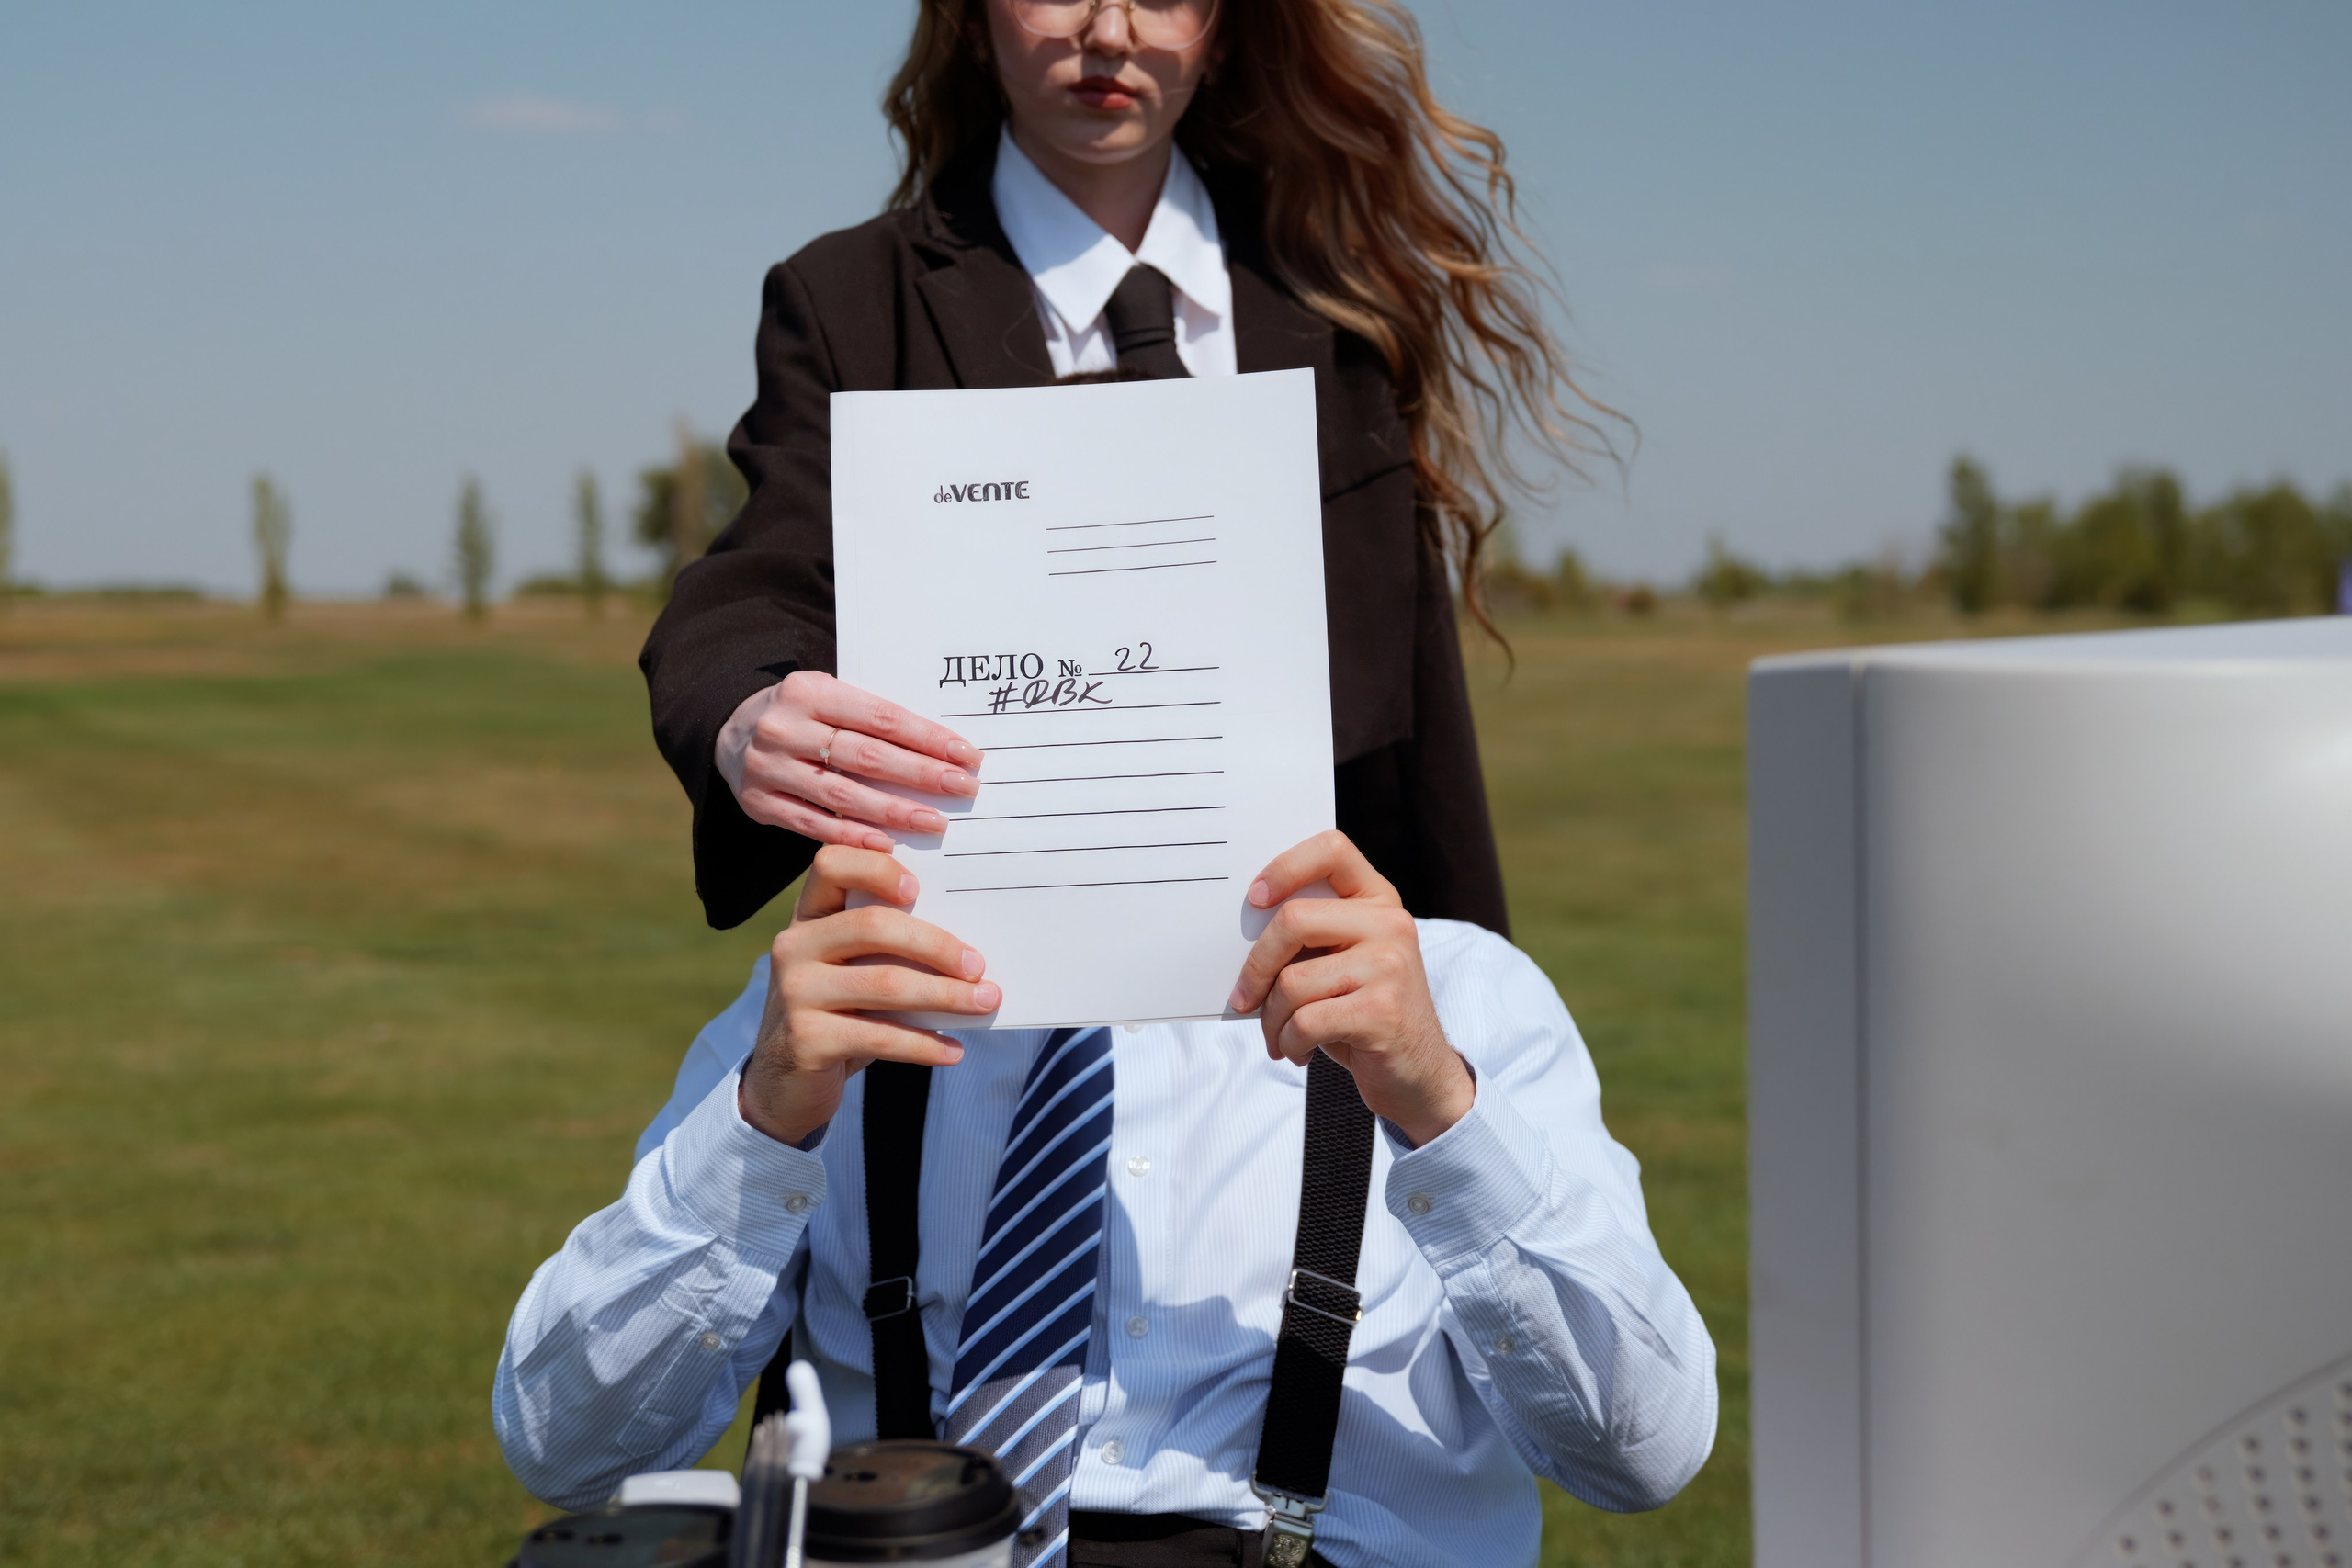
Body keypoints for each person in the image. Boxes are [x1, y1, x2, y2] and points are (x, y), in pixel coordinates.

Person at [639, 0, 1613, 941]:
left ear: (1223, 32)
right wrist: (743, 711)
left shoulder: (1340, 301)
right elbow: (759, 579)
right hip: (977, 1026)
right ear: (971, 21)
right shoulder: (852, 302)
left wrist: (1464, 1012)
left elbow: (1415, 732)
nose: (1110, 31)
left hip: (1296, 1031)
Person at [494, 832, 1718, 1567]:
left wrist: (1440, 1103)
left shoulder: (1458, 994)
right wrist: (762, 1122)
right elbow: (565, 1443)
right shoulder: (831, 1006)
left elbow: (1644, 1447)